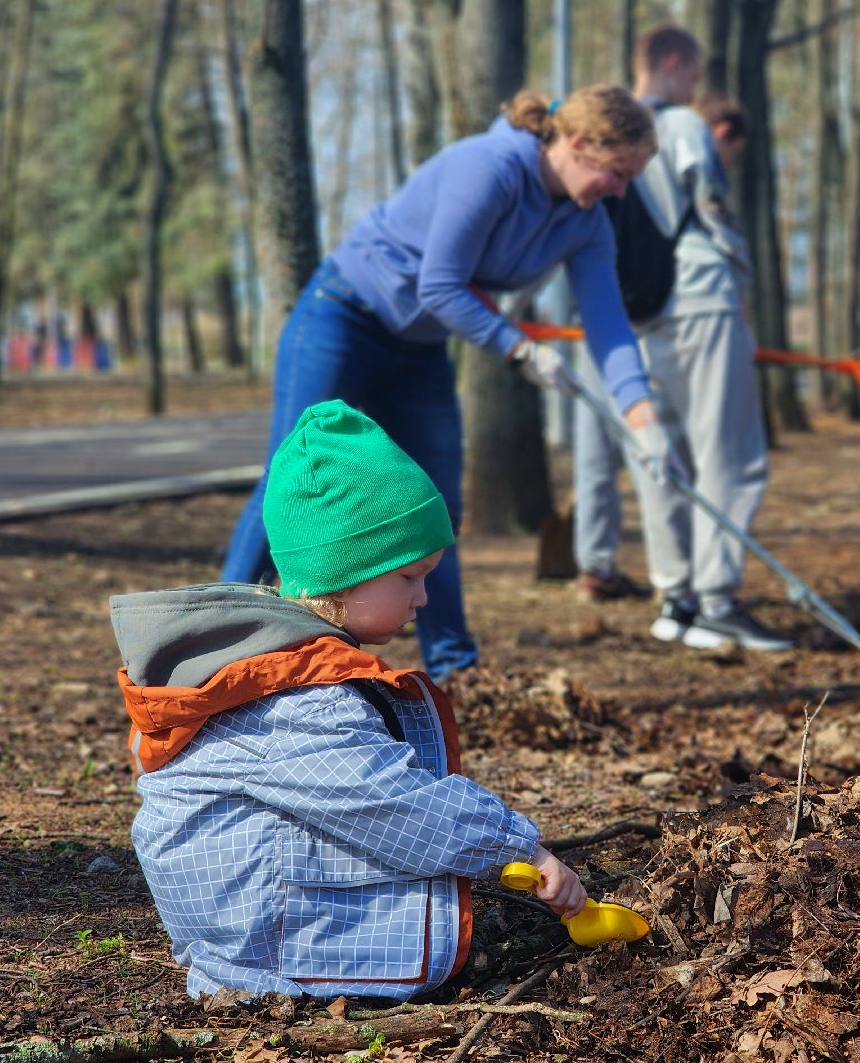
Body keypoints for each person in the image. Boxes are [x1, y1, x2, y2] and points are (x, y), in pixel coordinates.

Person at [113, 401, 588, 1000]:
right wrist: (524, 849)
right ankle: (291, 983)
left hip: (247, 913)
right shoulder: (297, 699)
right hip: (261, 940)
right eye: (408, 577)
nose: (422, 599)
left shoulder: (281, 662)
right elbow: (393, 802)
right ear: (345, 571)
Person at [220, 84, 667, 680]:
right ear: (580, 143)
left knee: (434, 509)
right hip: (344, 314)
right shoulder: (488, 167)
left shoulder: (586, 223)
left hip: (420, 347)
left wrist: (643, 417)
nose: (620, 189)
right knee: (286, 479)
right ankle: (217, 643)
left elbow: (609, 324)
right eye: (617, 172)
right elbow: (439, 284)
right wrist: (518, 348)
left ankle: (455, 672)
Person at [613, 25, 789, 652]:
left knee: (657, 453)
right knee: (729, 453)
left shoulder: (608, 130)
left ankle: (676, 597)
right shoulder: (684, 126)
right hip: (701, 299)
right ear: (673, 62)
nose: (696, 85)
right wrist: (740, 281)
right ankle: (717, 598)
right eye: (693, 72)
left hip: (634, 316)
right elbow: (712, 209)